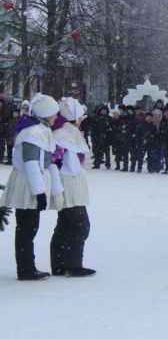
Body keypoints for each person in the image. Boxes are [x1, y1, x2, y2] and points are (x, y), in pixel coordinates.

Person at [0, 94, 63, 280]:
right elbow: (31, 164)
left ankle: (27, 266)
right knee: (27, 228)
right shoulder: (33, 133)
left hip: (30, 184)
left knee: (28, 227)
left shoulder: (38, 130)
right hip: (27, 186)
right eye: (53, 114)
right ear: (45, 114)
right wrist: (39, 193)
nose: (55, 118)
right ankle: (26, 268)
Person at [49, 97, 95, 277]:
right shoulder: (68, 133)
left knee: (64, 224)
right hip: (69, 183)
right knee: (79, 225)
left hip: (64, 181)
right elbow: (71, 159)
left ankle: (59, 264)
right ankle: (73, 264)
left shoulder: (59, 131)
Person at [91, 105, 113, 169]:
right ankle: (97, 164)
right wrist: (94, 137)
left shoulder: (109, 118)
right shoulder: (96, 118)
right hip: (97, 137)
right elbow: (93, 128)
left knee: (107, 153)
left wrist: (110, 137)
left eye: (105, 110)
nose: (103, 111)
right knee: (97, 152)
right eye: (102, 110)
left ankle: (108, 164)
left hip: (106, 138)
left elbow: (111, 128)